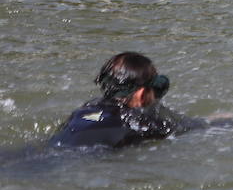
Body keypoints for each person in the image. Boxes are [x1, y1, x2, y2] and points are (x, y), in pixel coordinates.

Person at [49, 52, 206, 149]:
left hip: (48, 149)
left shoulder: (88, 108)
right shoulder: (142, 121)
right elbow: (194, 128)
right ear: (142, 94)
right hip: (82, 159)